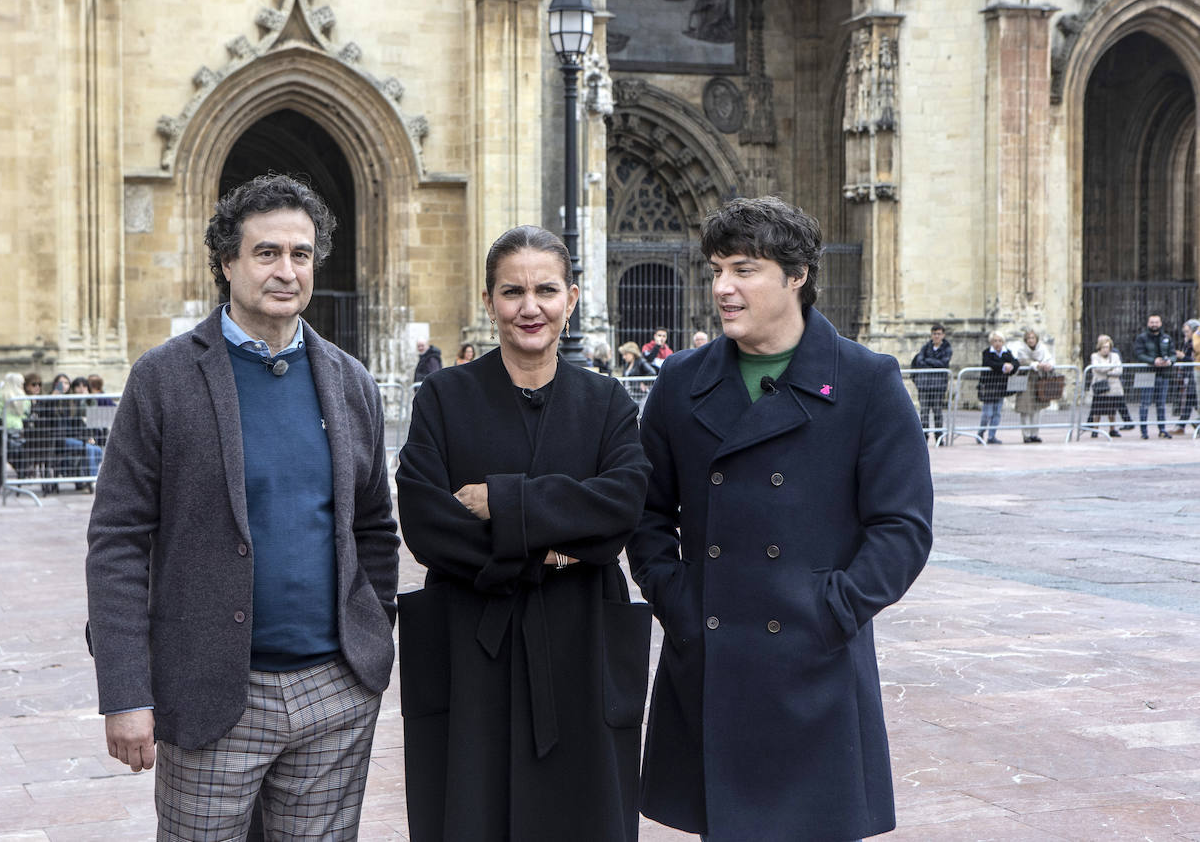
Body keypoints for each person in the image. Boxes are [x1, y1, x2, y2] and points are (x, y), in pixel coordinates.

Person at [85, 173, 399, 841]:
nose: (286, 271)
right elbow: (117, 539)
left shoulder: (350, 381)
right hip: (211, 693)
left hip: (333, 692)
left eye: (301, 254)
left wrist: (371, 639)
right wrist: (126, 692)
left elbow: (373, 525)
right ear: (227, 261)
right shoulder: (163, 378)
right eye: (266, 253)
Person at [626, 196, 933, 841]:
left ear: (796, 275)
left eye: (744, 269)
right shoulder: (681, 382)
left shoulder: (866, 381)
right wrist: (679, 599)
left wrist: (834, 609)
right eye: (716, 270)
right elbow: (647, 513)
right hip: (712, 655)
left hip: (815, 663)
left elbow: (902, 528)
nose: (723, 289)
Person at [396, 225, 652, 841]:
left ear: (572, 298)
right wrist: (554, 545)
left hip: (581, 639)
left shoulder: (608, 403)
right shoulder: (443, 398)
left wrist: (502, 502)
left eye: (545, 290)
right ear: (489, 302)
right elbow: (427, 521)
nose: (529, 307)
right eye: (512, 291)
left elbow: (622, 505)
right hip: (470, 645)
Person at [1132, 313, 1174, 440]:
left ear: (1160, 323)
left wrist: (1170, 361)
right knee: (1144, 403)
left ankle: (1162, 429)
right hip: (1146, 373)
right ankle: (1143, 431)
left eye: (1156, 322)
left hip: (1163, 374)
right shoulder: (1141, 338)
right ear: (1148, 324)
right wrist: (1153, 360)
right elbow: (1138, 354)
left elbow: (1173, 353)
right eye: (1152, 322)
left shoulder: (1166, 338)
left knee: (1161, 403)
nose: (1154, 325)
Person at [1010, 328, 1055, 443]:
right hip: (1025, 380)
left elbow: (1050, 359)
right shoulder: (1021, 349)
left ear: (1036, 339)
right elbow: (1024, 361)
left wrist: (1048, 365)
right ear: (1025, 340)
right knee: (1024, 409)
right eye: (1028, 338)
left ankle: (1034, 434)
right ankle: (1026, 435)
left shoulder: (1042, 349)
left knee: (1037, 409)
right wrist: (1036, 364)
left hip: (1038, 381)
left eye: (1033, 338)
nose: (1031, 340)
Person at [911, 323, 952, 442]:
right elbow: (919, 361)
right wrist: (933, 362)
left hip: (938, 385)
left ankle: (939, 436)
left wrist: (928, 361)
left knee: (937, 412)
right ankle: (924, 436)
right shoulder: (925, 347)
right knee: (924, 412)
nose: (936, 336)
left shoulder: (947, 348)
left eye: (939, 334)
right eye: (934, 334)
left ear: (943, 335)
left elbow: (943, 363)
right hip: (924, 384)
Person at [976, 331, 1019, 444]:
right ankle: (981, 432)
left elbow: (1016, 362)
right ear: (991, 342)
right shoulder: (987, 353)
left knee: (997, 413)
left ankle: (991, 436)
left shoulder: (1007, 353)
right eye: (995, 341)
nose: (997, 343)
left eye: (1000, 341)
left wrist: (1012, 366)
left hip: (1000, 388)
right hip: (989, 387)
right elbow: (990, 363)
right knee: (987, 413)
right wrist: (1003, 366)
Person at [1085, 334, 1124, 437]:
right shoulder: (1094, 356)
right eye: (1103, 347)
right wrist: (1111, 368)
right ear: (1099, 347)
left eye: (1107, 347)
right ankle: (1095, 430)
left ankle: (1112, 429)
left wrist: (1108, 372)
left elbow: (1119, 370)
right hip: (1100, 388)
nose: (1105, 349)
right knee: (1097, 410)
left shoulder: (1115, 356)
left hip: (1113, 388)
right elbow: (1098, 368)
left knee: (1112, 410)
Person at [1171, 319, 1198, 434]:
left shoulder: (1196, 344)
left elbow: (1194, 360)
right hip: (1189, 374)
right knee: (1190, 400)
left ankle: (1186, 424)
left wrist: (1183, 357)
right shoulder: (1187, 342)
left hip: (1196, 373)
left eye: (1188, 331)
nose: (1186, 334)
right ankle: (1182, 425)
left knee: (1193, 400)